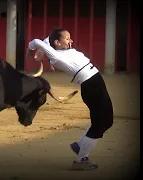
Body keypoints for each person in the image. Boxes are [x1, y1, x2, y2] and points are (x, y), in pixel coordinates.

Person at [26, 28, 114, 171]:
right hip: (91, 85)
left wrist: (40, 51)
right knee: (103, 122)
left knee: (104, 121)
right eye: (67, 39)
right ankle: (81, 159)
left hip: (95, 83)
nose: (71, 41)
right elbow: (36, 41)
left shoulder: (59, 51)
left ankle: (80, 145)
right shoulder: (57, 56)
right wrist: (32, 52)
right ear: (57, 43)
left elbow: (47, 39)